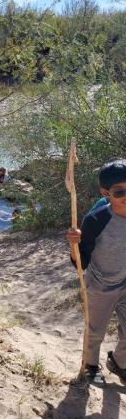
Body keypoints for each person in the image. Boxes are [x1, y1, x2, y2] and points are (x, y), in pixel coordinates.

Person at [67, 159, 126, 386]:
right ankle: (90, 366)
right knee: (95, 331)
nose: (125, 196)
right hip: (100, 286)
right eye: (119, 191)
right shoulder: (96, 220)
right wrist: (74, 245)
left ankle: (119, 363)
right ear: (105, 193)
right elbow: (81, 263)